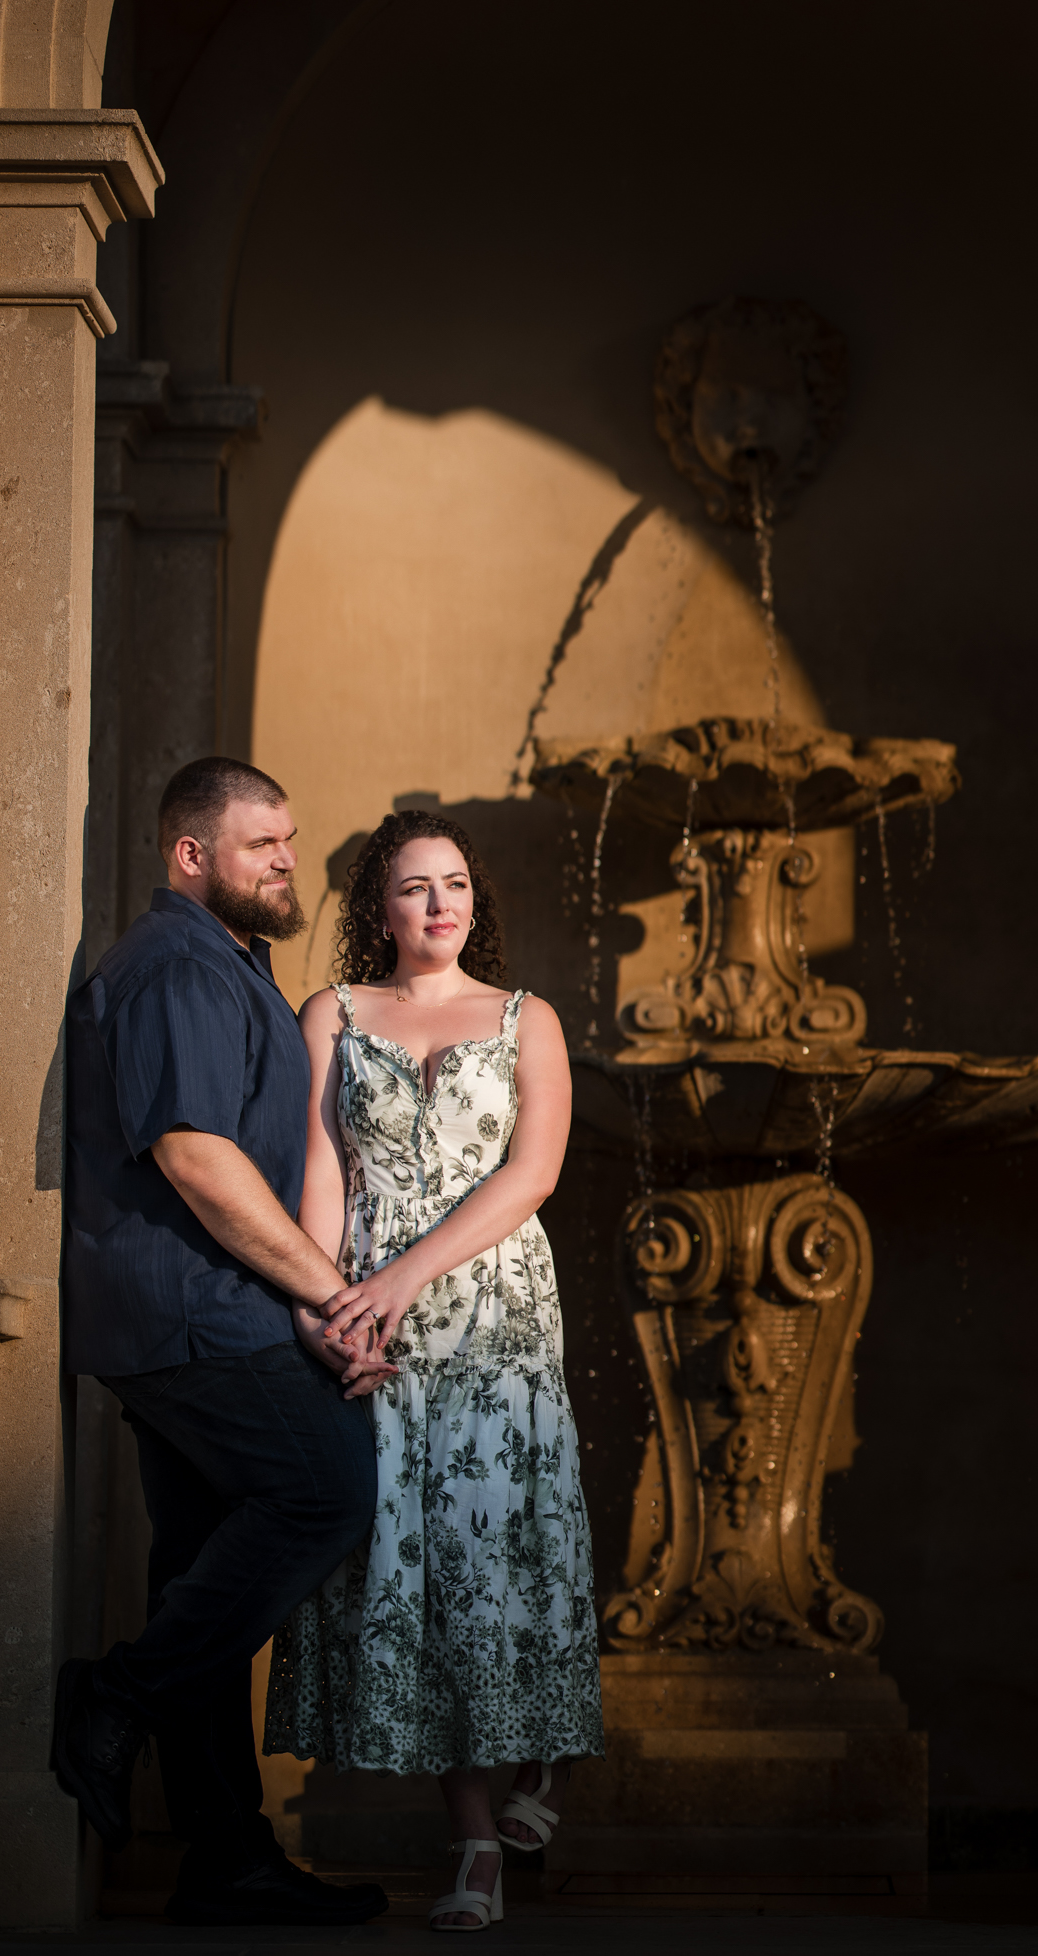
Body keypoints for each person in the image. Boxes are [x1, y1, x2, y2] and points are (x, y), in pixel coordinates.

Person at [56, 755, 393, 1928]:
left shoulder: (224, 967)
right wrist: (330, 1295)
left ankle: (225, 1856)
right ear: (190, 854)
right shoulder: (172, 966)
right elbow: (197, 1160)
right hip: (191, 1313)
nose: (288, 861)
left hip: (198, 1313)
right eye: (263, 845)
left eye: (291, 841)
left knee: (198, 1564)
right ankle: (118, 1695)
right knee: (326, 1493)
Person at [265, 809, 603, 1933]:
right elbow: (322, 1168)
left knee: (508, 1552)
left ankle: (546, 1763)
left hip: (494, 1317)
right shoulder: (333, 1013)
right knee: (405, 1571)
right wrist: (325, 1309)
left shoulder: (526, 1020)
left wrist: (404, 1275)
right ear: (379, 906)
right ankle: (472, 1845)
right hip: (374, 1325)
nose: (437, 903)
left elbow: (534, 1173)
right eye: (413, 887)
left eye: (453, 883)